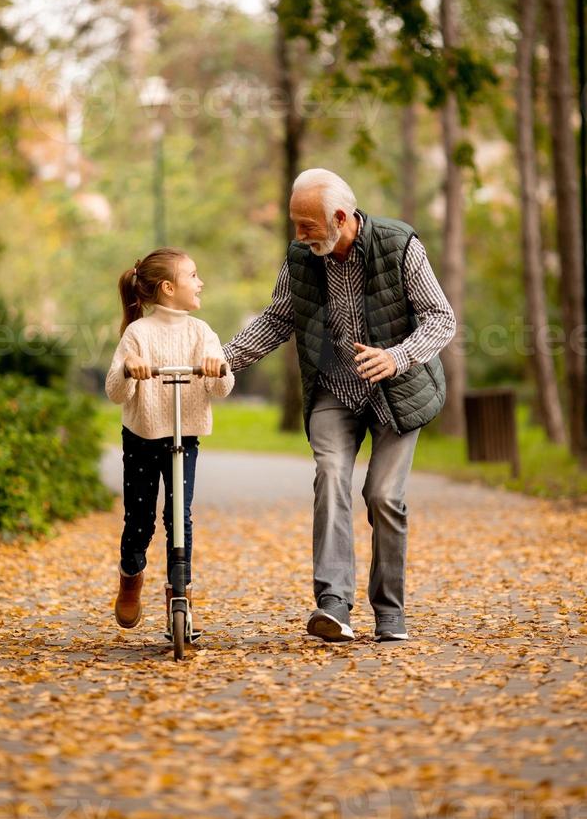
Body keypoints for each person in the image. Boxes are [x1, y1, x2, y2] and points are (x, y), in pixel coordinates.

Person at [222, 169, 456, 643]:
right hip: (335, 386)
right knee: (330, 474)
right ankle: (333, 604)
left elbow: (441, 319)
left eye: (306, 225)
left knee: (384, 496)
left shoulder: (399, 245)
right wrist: (223, 360)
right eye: (295, 223)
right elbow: (277, 319)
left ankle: (389, 611)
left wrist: (396, 356)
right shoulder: (302, 257)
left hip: (399, 387)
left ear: (341, 218)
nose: (298, 234)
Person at [105, 247, 234, 639]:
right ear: (168, 287)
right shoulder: (138, 333)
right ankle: (131, 576)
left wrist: (218, 365)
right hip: (143, 436)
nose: (200, 282)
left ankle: (181, 598)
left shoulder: (202, 332)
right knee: (140, 520)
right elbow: (114, 391)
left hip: (184, 437)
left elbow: (223, 387)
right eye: (193, 275)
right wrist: (130, 369)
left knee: (180, 516)